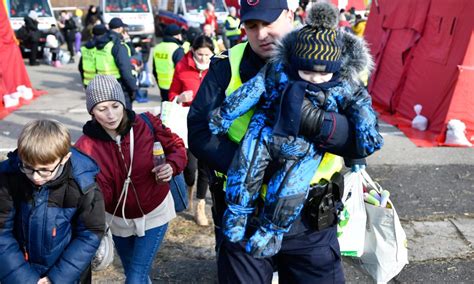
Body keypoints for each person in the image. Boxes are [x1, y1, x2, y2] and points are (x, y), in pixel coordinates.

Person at [188, 0, 373, 282]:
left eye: (269, 22)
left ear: (288, 16)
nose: (261, 34)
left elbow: (361, 138)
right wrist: (254, 169)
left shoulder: (330, 53)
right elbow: (200, 131)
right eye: (252, 26)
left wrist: (318, 123)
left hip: (311, 222)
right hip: (245, 218)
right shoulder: (228, 63)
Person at [75, 75, 187, 283]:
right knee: (136, 275)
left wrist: (171, 166)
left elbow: (177, 147)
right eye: (102, 109)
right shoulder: (84, 146)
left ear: (123, 104)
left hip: (155, 211)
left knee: (135, 277)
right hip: (117, 220)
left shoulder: (146, 124)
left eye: (115, 106)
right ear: (91, 112)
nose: (110, 115)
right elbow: (84, 191)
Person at [0, 119, 105, 283]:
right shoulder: (8, 177)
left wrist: (56, 279)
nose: (35, 177)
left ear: (64, 159)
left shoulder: (83, 185)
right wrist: (25, 279)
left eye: (44, 170)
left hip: (67, 276)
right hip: (17, 274)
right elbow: (2, 233)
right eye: (27, 167)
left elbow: (90, 234)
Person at [168, 35, 215, 226]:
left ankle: (200, 206)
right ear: (193, 52)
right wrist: (179, 97)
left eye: (207, 54)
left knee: (205, 167)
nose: (203, 58)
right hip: (187, 123)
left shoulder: (217, 67)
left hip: (210, 122)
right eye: (200, 54)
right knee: (190, 167)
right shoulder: (182, 66)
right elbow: (171, 93)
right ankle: (188, 192)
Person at [95, 17, 137, 109]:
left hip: (102, 84)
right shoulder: (117, 45)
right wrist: (133, 87)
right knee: (125, 116)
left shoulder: (102, 43)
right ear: (120, 29)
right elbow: (125, 70)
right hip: (117, 85)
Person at [153, 24, 185, 102]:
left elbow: (154, 70)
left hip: (162, 86)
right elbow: (182, 71)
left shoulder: (157, 47)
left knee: (165, 110)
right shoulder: (177, 49)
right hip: (175, 88)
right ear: (176, 36)